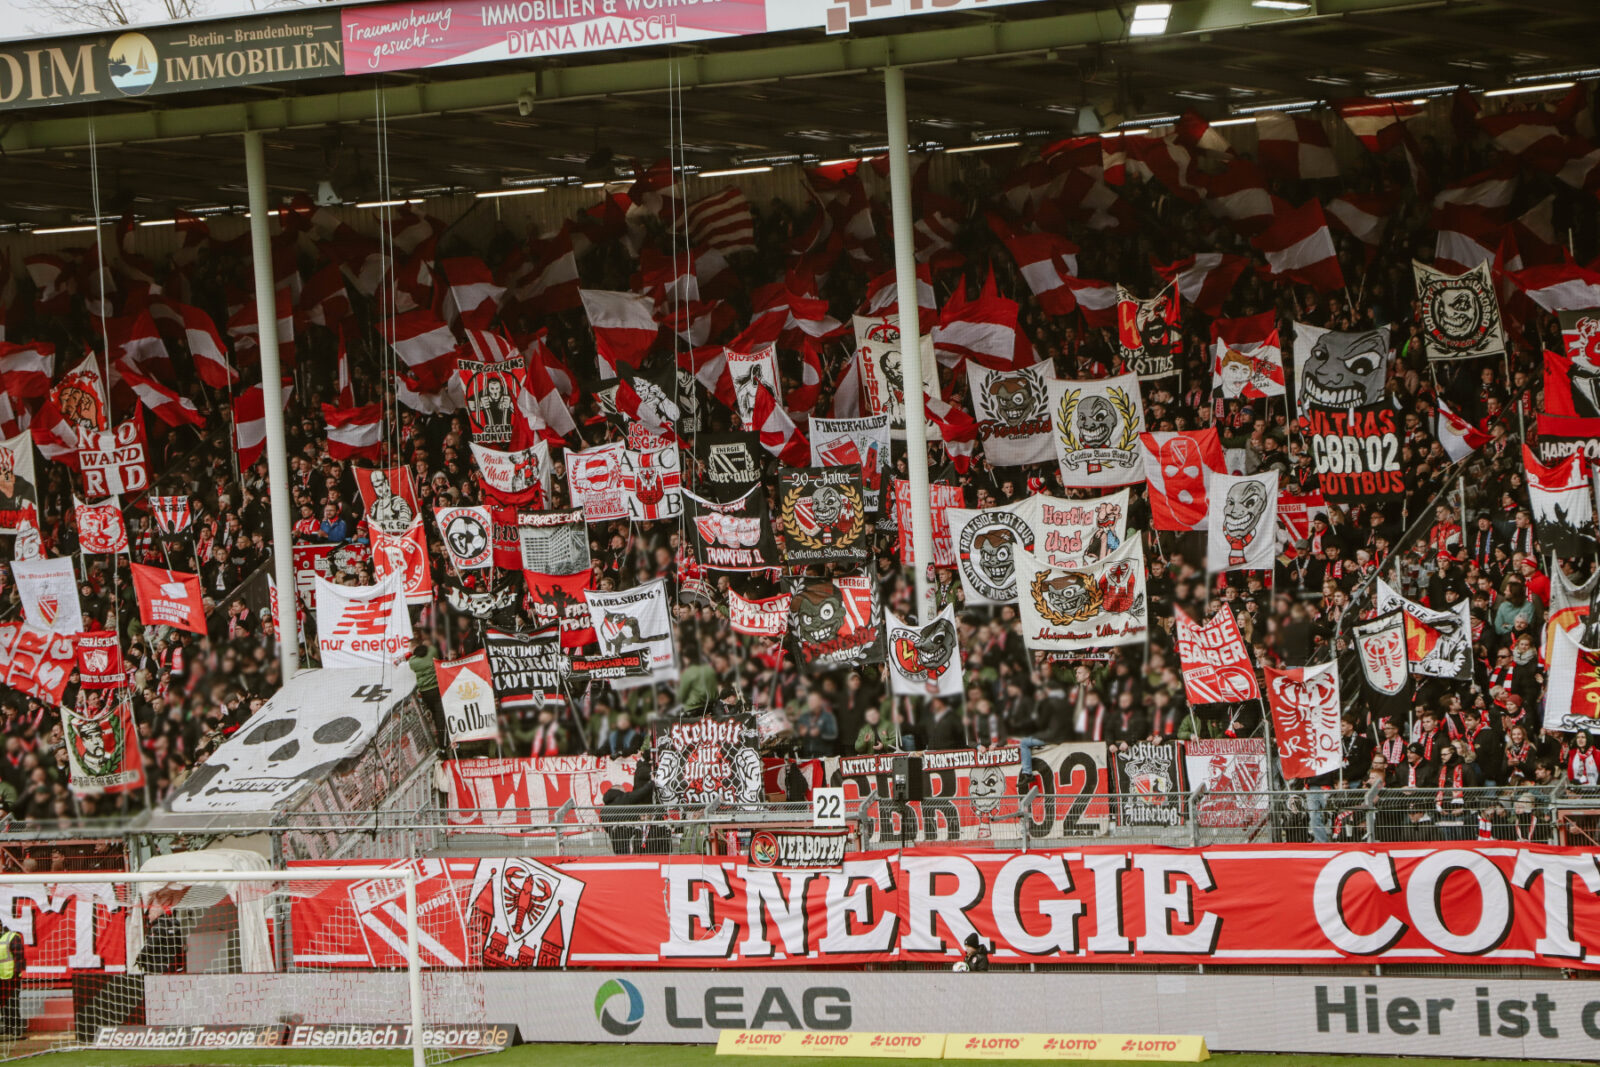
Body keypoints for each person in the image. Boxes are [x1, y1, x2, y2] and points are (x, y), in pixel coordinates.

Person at [0, 923, 23, 1038]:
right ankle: (7, 1027)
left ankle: (16, 1027)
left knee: (13, 1003)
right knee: (3, 1004)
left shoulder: (12, 937)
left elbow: (19, 957)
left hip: (12, 976)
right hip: (1, 977)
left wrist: (16, 972)